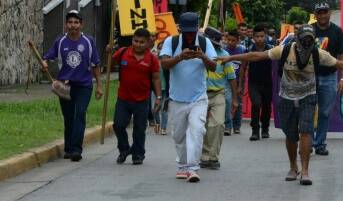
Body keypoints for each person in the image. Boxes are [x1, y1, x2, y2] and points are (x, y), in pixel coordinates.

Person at [221, 25, 343, 186]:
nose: (307, 43)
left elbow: (341, 64)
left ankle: (305, 171)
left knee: (305, 131)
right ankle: (293, 166)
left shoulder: (319, 54)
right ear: (297, 39)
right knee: (290, 135)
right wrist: (231, 58)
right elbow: (257, 55)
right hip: (287, 97)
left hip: (308, 96)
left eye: (310, 40)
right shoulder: (284, 50)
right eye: (304, 39)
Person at [159, 12, 218, 182]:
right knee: (178, 135)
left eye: (193, 32)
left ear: (198, 29)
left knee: (197, 131)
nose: (191, 36)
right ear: (180, 29)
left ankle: (193, 168)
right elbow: (164, 64)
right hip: (177, 99)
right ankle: (182, 165)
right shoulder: (172, 41)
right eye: (187, 32)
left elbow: (214, 67)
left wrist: (202, 56)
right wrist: (180, 57)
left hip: (198, 98)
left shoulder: (205, 42)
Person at [41, 9, 102, 162]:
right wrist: (45, 62)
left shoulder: (88, 41)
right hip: (64, 86)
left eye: (76, 22)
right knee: (68, 117)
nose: (73, 25)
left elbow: (95, 65)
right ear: (66, 24)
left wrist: (99, 86)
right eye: (70, 22)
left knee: (79, 114)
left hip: (84, 86)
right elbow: (48, 56)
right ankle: (68, 148)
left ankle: (76, 150)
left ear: (81, 24)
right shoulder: (60, 41)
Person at [111, 27, 161, 165]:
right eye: (135, 41)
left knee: (139, 130)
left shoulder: (152, 59)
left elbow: (156, 78)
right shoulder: (123, 53)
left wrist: (158, 97)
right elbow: (110, 63)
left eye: (141, 42)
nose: (138, 44)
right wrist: (108, 52)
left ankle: (138, 154)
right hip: (123, 98)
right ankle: (124, 149)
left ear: (148, 43)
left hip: (142, 100)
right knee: (118, 125)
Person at [311, 2, 343, 156]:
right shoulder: (309, 30)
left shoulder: (337, 32)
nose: (322, 15)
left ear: (330, 13)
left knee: (325, 112)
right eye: (319, 12)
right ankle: (308, 142)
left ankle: (319, 144)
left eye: (325, 12)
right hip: (310, 77)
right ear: (315, 15)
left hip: (330, 77)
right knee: (307, 111)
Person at [200, 27, 238, 170]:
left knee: (217, 124)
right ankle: (204, 156)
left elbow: (232, 78)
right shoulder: (198, 54)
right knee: (201, 127)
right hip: (200, 95)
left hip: (218, 94)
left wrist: (235, 100)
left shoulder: (224, 55)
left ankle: (213, 157)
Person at [241, 27, 273, 141]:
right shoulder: (249, 50)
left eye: (262, 36)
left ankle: (265, 129)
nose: (260, 39)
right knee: (256, 104)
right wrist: (241, 84)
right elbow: (243, 67)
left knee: (267, 106)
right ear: (253, 37)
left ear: (265, 37)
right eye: (257, 36)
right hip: (253, 83)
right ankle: (255, 130)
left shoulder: (271, 50)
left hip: (268, 83)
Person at [224, 32, 246, 135]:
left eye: (233, 40)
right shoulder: (224, 51)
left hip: (238, 80)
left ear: (237, 41)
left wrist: (240, 85)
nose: (230, 42)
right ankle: (227, 126)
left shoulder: (241, 50)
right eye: (229, 40)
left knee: (238, 103)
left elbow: (242, 68)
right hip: (227, 81)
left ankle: (237, 126)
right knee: (228, 102)